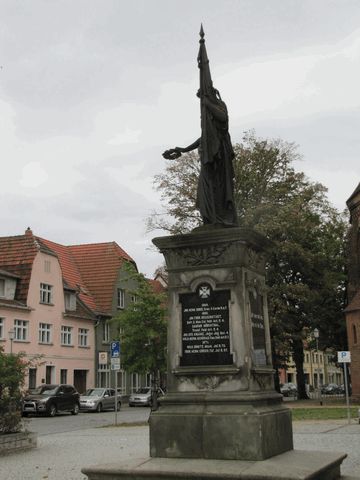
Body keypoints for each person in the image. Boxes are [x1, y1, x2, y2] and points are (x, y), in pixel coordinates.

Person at [163, 87, 237, 227]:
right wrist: (184, 149)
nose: (201, 100)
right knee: (203, 191)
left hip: (219, 156)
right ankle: (209, 218)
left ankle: (221, 217)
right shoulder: (206, 113)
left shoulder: (219, 105)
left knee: (218, 186)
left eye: (202, 97)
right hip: (207, 158)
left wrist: (208, 105)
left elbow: (223, 118)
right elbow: (204, 137)